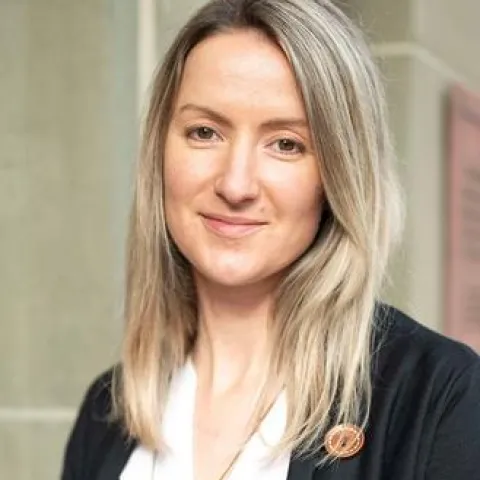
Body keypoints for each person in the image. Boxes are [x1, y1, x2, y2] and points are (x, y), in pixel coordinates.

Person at [61, 0, 480, 479]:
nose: (235, 184)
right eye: (204, 132)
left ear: (339, 174)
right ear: (160, 152)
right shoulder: (107, 413)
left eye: (286, 144)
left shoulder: (438, 398)